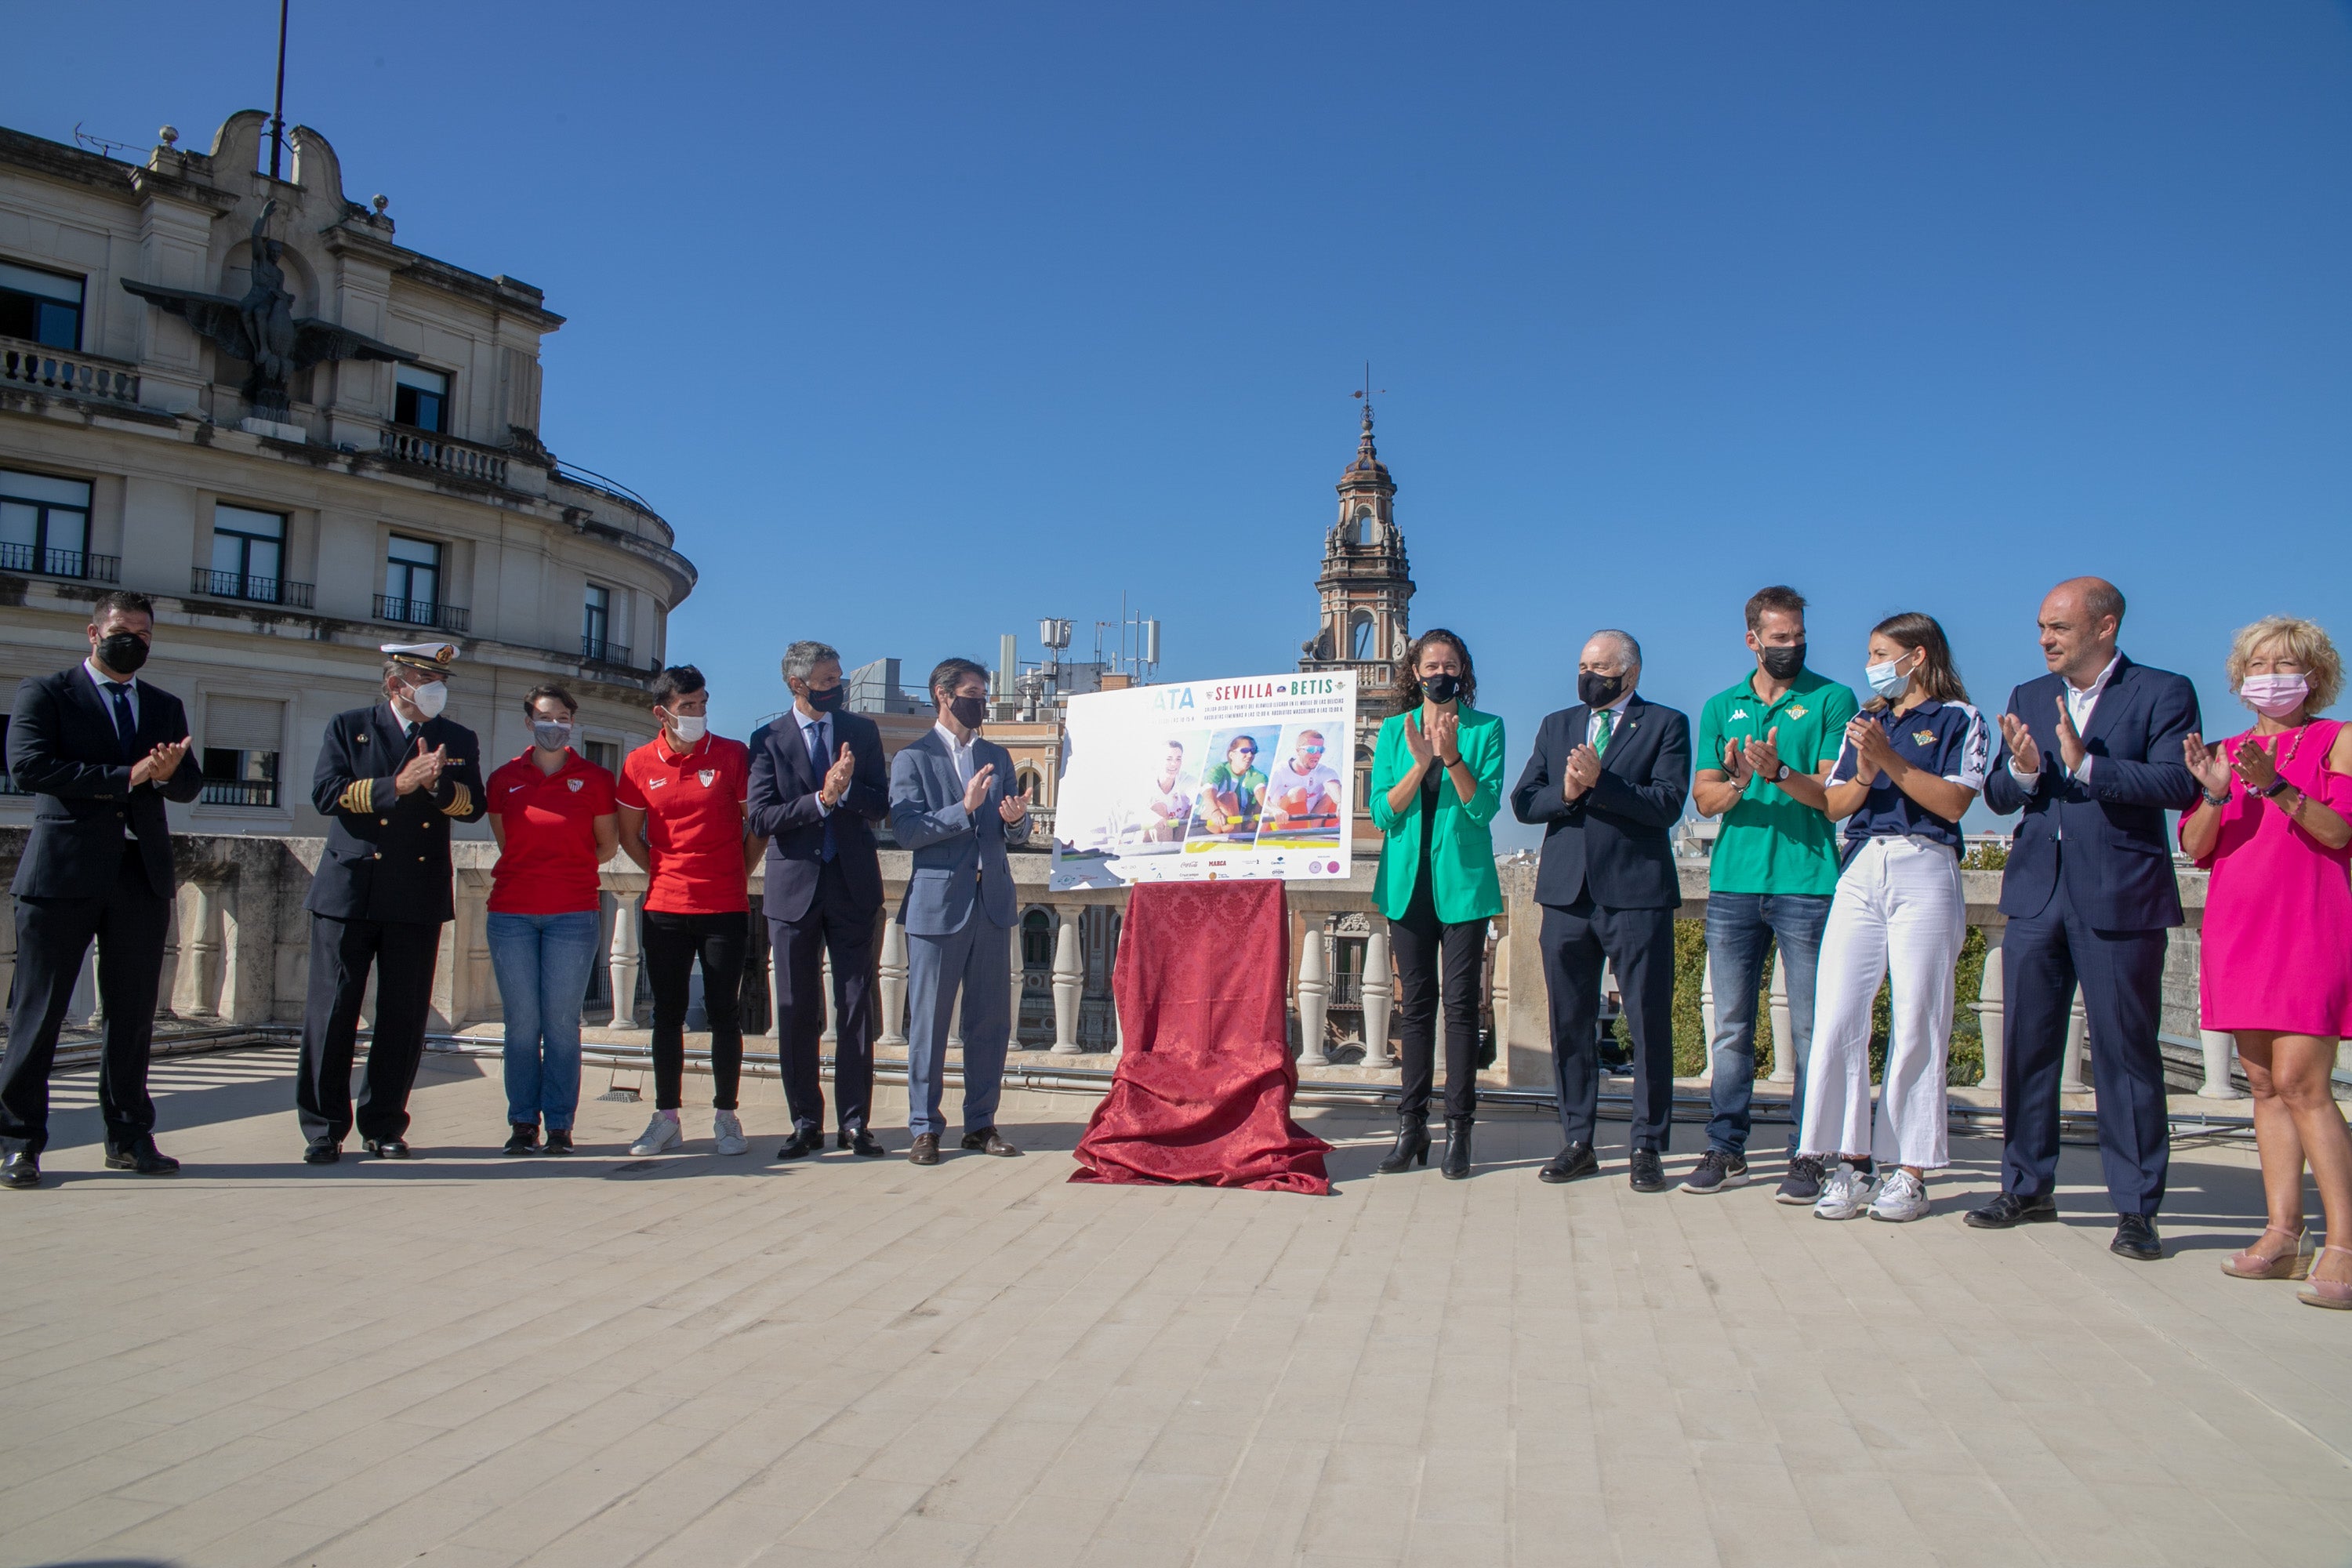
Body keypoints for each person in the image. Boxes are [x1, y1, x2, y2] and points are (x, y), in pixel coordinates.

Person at [1970, 577, 2199, 1261]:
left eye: (2059, 628)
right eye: (2042, 627)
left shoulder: (2163, 691)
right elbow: (2000, 794)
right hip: (2038, 895)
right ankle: (2027, 1185)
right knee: (2028, 1049)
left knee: (2126, 1056)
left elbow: (2179, 783)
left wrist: (2087, 765)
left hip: (2120, 896)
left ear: (2104, 628)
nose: (2044, 639)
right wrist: (2028, 772)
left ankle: (2135, 1210)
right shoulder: (2027, 697)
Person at [1, 591, 203, 1189]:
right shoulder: (46, 693)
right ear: (93, 633)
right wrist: (129, 776)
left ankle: (129, 1137)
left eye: (143, 633)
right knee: (38, 1014)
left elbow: (188, 784)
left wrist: (167, 775)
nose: (132, 641)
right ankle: (18, 1143)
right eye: (121, 630)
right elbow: (29, 768)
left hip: (139, 876)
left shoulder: (164, 706)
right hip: (62, 876)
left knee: (133, 1016)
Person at [2179, 617, 2352, 1308]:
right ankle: (2284, 1231)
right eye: (2258, 664)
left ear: (2313, 675)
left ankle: (2343, 1242)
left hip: (2308, 926)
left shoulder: (2337, 740)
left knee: (2303, 1082)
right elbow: (2195, 844)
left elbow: (2340, 831)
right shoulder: (2228, 750)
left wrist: (2278, 787)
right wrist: (2218, 793)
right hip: (2238, 928)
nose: (2268, 676)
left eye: (2284, 664)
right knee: (2261, 1086)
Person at [1801, 614, 1988, 1222]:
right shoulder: (1867, 720)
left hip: (1925, 864)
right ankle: (1848, 1162)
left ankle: (1909, 1171)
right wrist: (1790, 774)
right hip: (1862, 864)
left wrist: (1893, 763)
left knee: (1918, 1016)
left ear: (1918, 654)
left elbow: (1956, 801)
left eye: (1883, 652)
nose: (1873, 664)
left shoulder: (1960, 718)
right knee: (1838, 1016)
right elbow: (1836, 802)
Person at [1683, 586, 1858, 1201]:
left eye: (1799, 637)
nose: (1791, 647)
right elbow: (1704, 800)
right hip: (1734, 883)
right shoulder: (1720, 707)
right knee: (1730, 1026)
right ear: (1752, 640)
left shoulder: (1833, 700)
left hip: (1807, 882)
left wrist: (1782, 773)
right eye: (1780, 638)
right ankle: (1725, 1148)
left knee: (1812, 1029)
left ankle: (1807, 1153)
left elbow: (1837, 798)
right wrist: (1736, 780)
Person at [1511, 630, 1692, 1191]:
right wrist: (1566, 791)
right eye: (1584, 665)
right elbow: (1523, 802)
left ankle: (1647, 1145)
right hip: (1566, 896)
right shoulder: (1556, 724)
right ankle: (1577, 1140)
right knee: (1570, 1024)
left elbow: (1665, 805)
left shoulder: (1666, 724)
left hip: (1636, 895)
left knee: (1646, 1022)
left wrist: (1601, 783)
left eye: (1601, 667)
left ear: (1629, 674)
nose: (1589, 674)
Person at [296, 644, 486, 1162]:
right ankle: (323, 1128)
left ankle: (383, 1124)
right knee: (333, 1014)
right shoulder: (350, 726)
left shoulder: (457, 737)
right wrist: (396, 785)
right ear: (394, 683)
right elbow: (326, 794)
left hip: (417, 893)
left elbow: (473, 806)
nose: (434, 686)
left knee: (402, 1020)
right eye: (423, 676)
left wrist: (437, 785)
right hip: (350, 891)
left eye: (440, 678)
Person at [1368, 630, 1504, 1179]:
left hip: (1464, 885)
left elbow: (1484, 808)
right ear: (1416, 672)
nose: (1440, 672)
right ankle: (1412, 1127)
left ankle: (1459, 1130)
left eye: (1450, 664)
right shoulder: (1392, 731)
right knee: (1416, 1009)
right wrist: (1420, 764)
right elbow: (1383, 812)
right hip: (1407, 884)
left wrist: (1450, 760)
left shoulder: (1486, 728)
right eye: (1431, 664)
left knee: (1462, 1008)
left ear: (1462, 671)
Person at [749, 641, 891, 1160]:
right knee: (795, 1010)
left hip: (853, 888)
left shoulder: (861, 732)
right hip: (793, 893)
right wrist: (821, 799)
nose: (837, 688)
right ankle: (805, 1121)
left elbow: (881, 804)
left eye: (838, 679)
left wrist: (849, 790)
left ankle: (855, 1124)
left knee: (855, 1009)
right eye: (828, 681)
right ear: (797, 684)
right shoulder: (768, 740)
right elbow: (762, 818)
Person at [888, 658, 1033, 1166]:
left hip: (990, 903)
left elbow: (1014, 832)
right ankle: (925, 1128)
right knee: (928, 1021)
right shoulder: (913, 759)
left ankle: (981, 1124)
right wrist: (963, 809)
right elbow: (907, 831)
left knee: (989, 1022)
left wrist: (1016, 822)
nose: (982, 702)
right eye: (973, 692)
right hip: (936, 908)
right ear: (944, 695)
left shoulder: (997, 754)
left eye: (985, 693)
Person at [615, 666, 761, 1157]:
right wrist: (660, 869)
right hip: (665, 908)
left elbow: (756, 825)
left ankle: (726, 1115)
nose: (698, 713)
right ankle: (666, 1116)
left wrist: (738, 872)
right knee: (667, 1015)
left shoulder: (731, 755)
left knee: (724, 1013)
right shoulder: (638, 763)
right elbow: (627, 833)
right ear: (662, 712)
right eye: (688, 707)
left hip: (724, 904)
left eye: (703, 703)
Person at [485, 686, 618, 1156]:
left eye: (563, 717)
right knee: (521, 1024)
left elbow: (606, 846)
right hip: (510, 915)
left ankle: (560, 1124)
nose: (554, 725)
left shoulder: (597, 780)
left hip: (573, 915)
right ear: (528, 722)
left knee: (562, 1023)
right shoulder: (503, 780)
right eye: (545, 716)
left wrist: (567, 869)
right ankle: (523, 1123)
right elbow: (508, 843)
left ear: (572, 724)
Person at [1263, 730, 1342, 832]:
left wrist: (1340, 802)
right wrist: (1274, 810)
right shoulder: (1280, 770)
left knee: (1337, 794)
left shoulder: (1325, 771)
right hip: (1281, 823)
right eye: (1312, 749)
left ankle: (1311, 834)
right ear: (1298, 751)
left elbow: (1333, 786)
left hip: (1309, 823)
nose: (1317, 754)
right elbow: (1264, 801)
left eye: (1321, 750)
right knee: (1299, 792)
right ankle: (1296, 834)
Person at [1198, 734, 1267, 837]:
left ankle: (1236, 837)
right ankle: (1236, 840)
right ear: (1231, 755)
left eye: (1253, 751)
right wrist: (1215, 812)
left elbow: (1263, 799)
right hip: (1209, 822)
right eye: (1244, 751)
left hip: (1238, 825)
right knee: (1229, 797)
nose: (1250, 755)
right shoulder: (1218, 770)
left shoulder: (1258, 776)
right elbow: (1208, 794)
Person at [1134, 742, 1192, 844]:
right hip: (1149, 837)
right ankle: (1167, 852)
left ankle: (1173, 850)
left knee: (1194, 807)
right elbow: (1136, 808)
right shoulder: (1145, 783)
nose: (1174, 764)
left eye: (1178, 759)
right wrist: (1155, 818)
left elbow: (1197, 791)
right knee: (1159, 808)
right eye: (1169, 759)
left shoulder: (1186, 779)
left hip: (1176, 833)